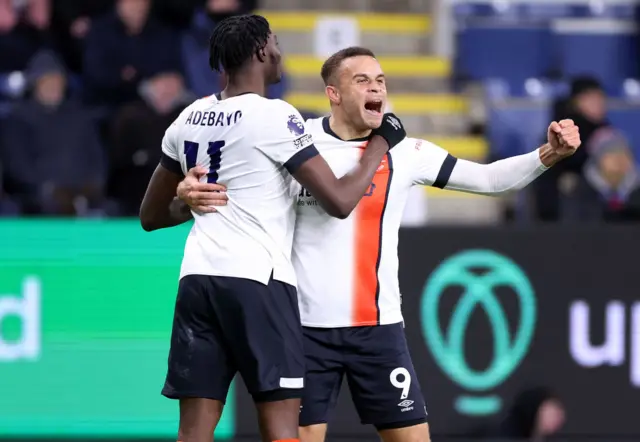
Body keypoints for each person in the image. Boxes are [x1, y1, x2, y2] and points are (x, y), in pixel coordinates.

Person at [175, 46, 582, 442]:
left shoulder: (406, 152)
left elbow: (491, 180)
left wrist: (548, 154)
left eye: (381, 80)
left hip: (378, 332)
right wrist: (184, 193)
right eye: (362, 80)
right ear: (333, 93)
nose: (377, 89)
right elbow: (235, 187)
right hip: (303, 330)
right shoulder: (295, 141)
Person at [138, 17, 407, 442]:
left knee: (192, 432)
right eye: (276, 43)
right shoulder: (275, 114)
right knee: (282, 430)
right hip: (258, 284)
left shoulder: (189, 116)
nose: (280, 52)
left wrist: (187, 203)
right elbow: (338, 201)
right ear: (262, 51)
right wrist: (381, 143)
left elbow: (150, 217)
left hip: (197, 280)